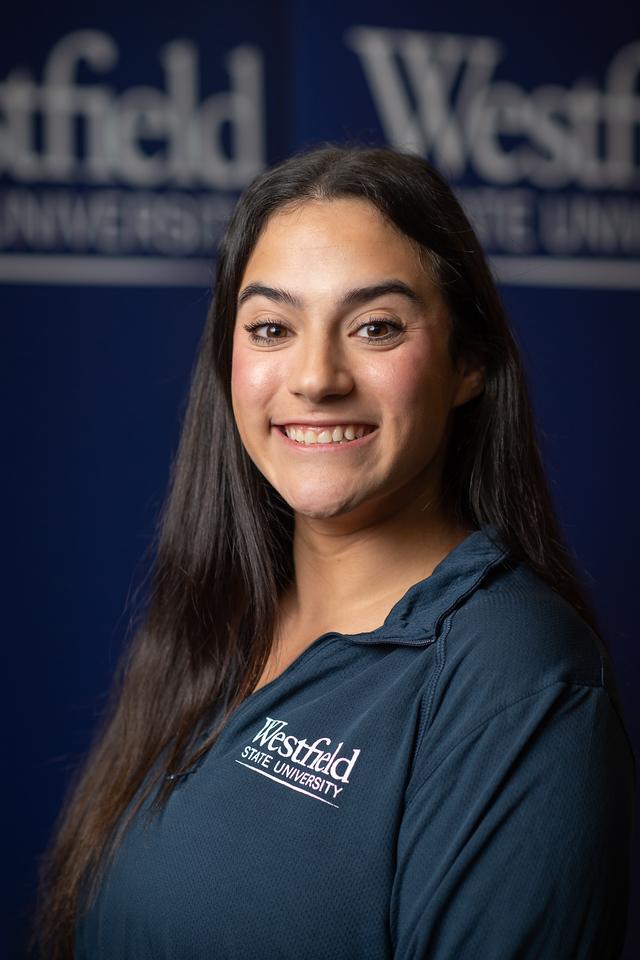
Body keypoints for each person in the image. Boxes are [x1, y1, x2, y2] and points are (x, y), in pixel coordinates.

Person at [36, 145, 635, 959]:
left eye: (376, 327)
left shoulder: (518, 677)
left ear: (469, 361)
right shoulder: (221, 620)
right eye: (272, 328)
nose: (316, 377)